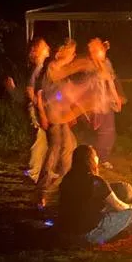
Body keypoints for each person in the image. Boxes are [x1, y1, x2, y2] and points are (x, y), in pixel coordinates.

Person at [57, 145, 132, 244]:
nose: (97, 158)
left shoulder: (67, 179)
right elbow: (119, 206)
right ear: (90, 160)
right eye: (95, 155)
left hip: (65, 233)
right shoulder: (96, 181)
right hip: (86, 235)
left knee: (108, 210)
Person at [37, 38, 87, 203]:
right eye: (72, 52)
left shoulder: (60, 70)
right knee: (56, 149)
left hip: (60, 115)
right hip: (54, 115)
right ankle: (44, 188)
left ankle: (64, 183)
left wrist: (70, 110)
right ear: (63, 53)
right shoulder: (52, 68)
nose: (73, 55)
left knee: (69, 146)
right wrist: (44, 114)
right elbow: (47, 94)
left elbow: (61, 94)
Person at [81, 37, 124, 166]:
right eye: (100, 50)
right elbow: (87, 87)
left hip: (106, 104)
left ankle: (102, 158)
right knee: (96, 132)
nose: (103, 52)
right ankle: (91, 157)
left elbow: (110, 81)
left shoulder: (106, 63)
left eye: (102, 50)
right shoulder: (89, 66)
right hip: (95, 106)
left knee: (109, 133)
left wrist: (116, 99)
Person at [25, 37, 50, 185]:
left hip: (37, 107)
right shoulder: (37, 68)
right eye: (44, 45)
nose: (48, 47)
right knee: (38, 138)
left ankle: (39, 171)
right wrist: (38, 104)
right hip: (34, 109)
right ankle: (32, 173)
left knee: (43, 141)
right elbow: (29, 90)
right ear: (37, 51)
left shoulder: (41, 67)